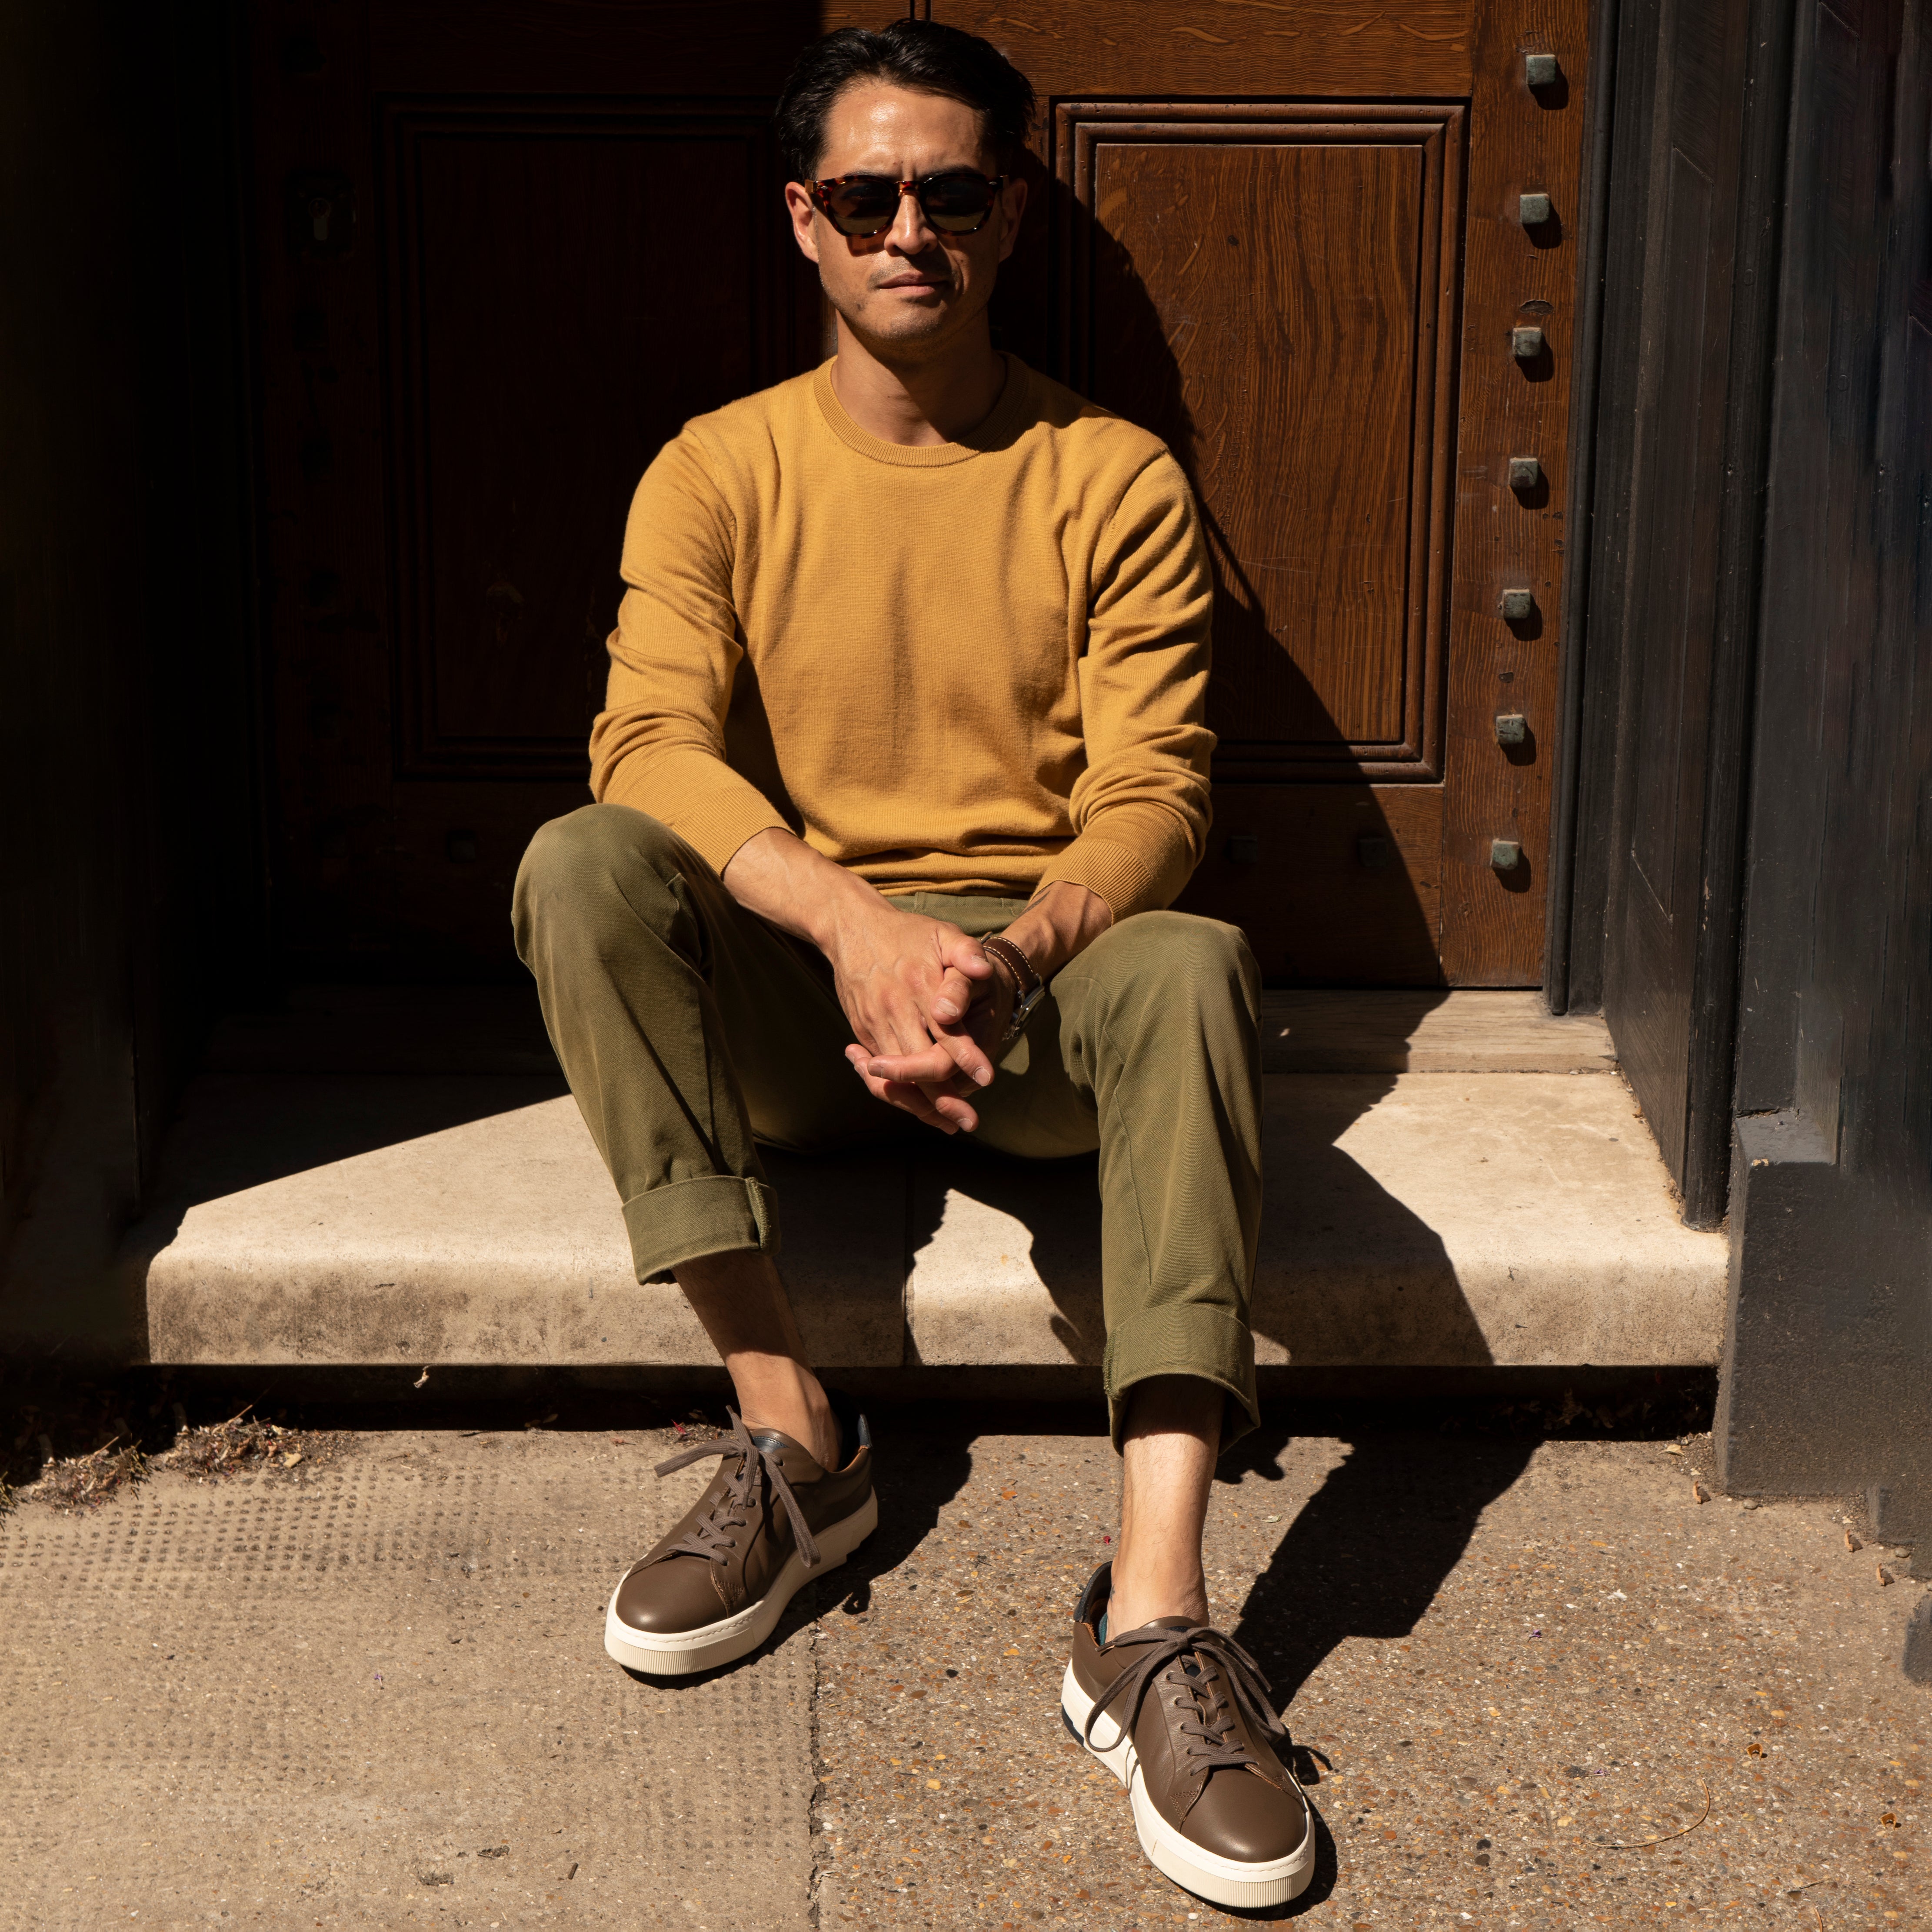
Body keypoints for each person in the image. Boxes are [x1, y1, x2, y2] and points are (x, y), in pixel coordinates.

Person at [512, 18, 1310, 1910]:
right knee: (583, 863)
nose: (906, 233)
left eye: (948, 193)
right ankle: (797, 1444)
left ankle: (1153, 1614)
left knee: (1193, 963)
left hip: (1035, 1011)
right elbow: (648, 746)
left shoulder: (1106, 473)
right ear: (804, 219)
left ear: (1006, 214)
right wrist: (858, 932)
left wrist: (1012, 961)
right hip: (810, 995)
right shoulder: (715, 471)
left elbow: (1153, 794)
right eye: (864, 197)